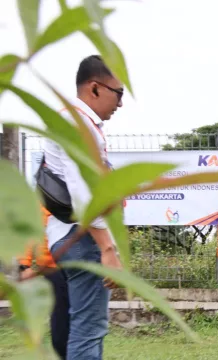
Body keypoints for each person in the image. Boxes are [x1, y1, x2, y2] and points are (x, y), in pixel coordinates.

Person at [43, 55, 124, 359]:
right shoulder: (80, 125)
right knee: (88, 331)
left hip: (68, 237)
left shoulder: (69, 120)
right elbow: (83, 195)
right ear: (95, 88)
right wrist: (107, 248)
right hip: (84, 238)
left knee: (84, 327)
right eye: (118, 93)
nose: (120, 103)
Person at [18, 207, 69, 359]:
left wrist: (33, 268)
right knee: (61, 331)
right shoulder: (44, 194)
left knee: (82, 329)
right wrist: (24, 265)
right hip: (54, 270)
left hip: (78, 265)